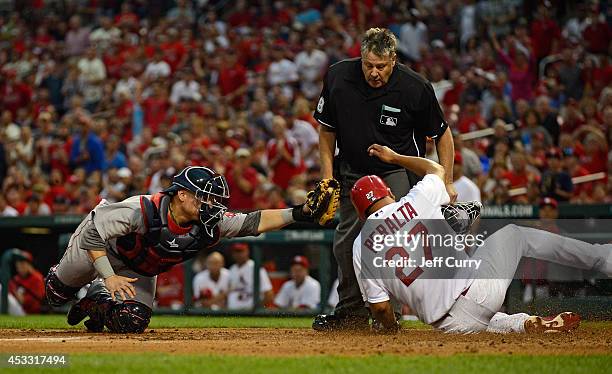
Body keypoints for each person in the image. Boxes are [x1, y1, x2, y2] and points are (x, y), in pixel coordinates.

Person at [350, 144, 611, 334]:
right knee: (516, 235)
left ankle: (523, 323)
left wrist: (391, 329)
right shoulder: (414, 201)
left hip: (450, 326)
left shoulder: (359, 247)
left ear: (361, 213)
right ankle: (602, 258)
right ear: (388, 193)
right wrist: (395, 157)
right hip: (478, 292)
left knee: (481, 320)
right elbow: (436, 169)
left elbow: (381, 308)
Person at [45, 166, 317, 333]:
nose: (211, 204)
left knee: (133, 322)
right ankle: (88, 286)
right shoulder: (143, 208)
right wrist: (108, 276)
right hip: (99, 248)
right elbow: (93, 234)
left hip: (138, 268)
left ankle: (97, 303)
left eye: (213, 199)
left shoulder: (208, 222)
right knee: (55, 294)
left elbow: (252, 221)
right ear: (182, 194)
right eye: (205, 197)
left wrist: (301, 212)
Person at [313, 28, 456, 330]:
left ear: (393, 59)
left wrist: (448, 180)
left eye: (380, 66)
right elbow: (326, 130)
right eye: (368, 64)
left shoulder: (415, 87)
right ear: (361, 57)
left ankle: (390, 315)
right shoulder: (338, 76)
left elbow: (442, 134)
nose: (373, 72)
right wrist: (327, 176)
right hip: (352, 170)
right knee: (346, 243)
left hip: (396, 173)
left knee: (393, 243)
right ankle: (350, 314)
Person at [226, 243, 274, 310]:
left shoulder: (255, 267)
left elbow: (269, 294)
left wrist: (256, 308)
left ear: (247, 252)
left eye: (241, 251)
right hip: (232, 312)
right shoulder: (232, 269)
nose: (238, 254)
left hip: (250, 313)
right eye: (236, 251)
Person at [9, 250, 45, 314]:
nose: (20, 267)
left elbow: (33, 302)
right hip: (17, 309)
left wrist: (17, 296)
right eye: (18, 265)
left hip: (29, 312)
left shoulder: (37, 278)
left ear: (29, 265)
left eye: (22, 264)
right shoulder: (16, 279)